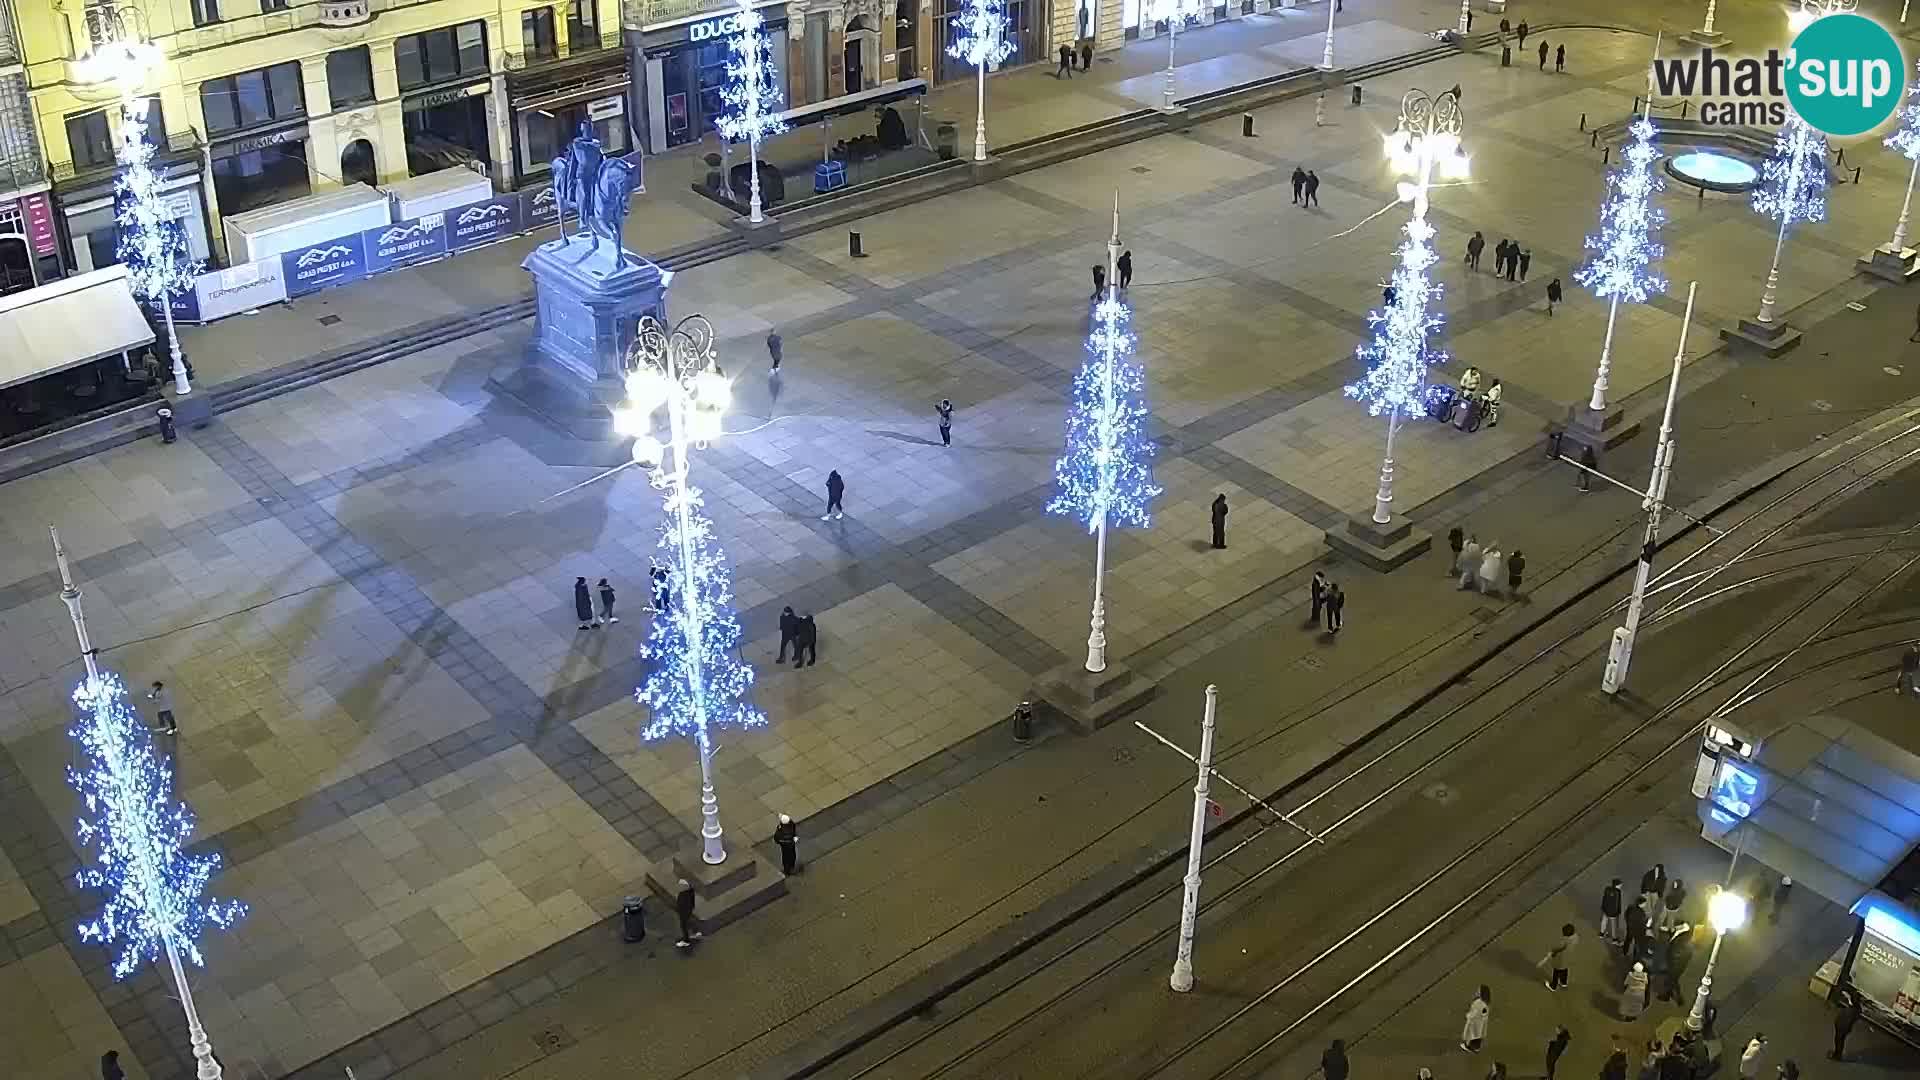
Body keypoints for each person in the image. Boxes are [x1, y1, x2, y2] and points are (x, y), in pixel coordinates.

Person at [1663, 923, 1696, 1003]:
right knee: (1672, 980)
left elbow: (1684, 954)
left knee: (1672, 980)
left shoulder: (1685, 940)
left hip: (1676, 965)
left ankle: (1676, 998)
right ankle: (1669, 994)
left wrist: (1673, 962)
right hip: (1674, 962)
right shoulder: (1680, 934)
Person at [1541, 922, 1577, 990]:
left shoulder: (1565, 940)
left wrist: (1552, 952)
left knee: (1556, 973)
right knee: (1565, 971)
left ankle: (1553, 986)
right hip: (1568, 959)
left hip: (1561, 961)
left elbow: (1558, 948)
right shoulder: (1576, 937)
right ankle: (1564, 983)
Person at [1832, 984, 1862, 1059]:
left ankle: (1837, 1055)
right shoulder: (1856, 1009)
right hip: (1844, 1028)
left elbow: (1845, 1021)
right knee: (1840, 1041)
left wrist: (1838, 1024)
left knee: (1839, 1041)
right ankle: (1838, 1053)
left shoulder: (1851, 1011)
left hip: (1842, 1028)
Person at [1460, 984, 1491, 1052]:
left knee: (1473, 1033)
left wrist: (1469, 1015)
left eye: (1478, 991)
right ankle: (1474, 1047)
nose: (1476, 992)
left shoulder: (1479, 1002)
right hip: (1479, 1023)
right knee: (1477, 1034)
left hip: (1475, 1022)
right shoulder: (1484, 1003)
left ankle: (1470, 1046)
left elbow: (1474, 1013)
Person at [674, 878, 702, 947]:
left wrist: (679, 910)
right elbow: (692, 903)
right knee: (689, 921)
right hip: (688, 909)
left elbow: (681, 903)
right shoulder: (691, 891)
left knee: (683, 925)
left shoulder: (683, 894)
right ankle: (696, 932)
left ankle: (686, 941)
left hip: (684, 910)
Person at [1624, 894, 1650, 958]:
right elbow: (1643, 924)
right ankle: (1635, 957)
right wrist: (1647, 922)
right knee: (1636, 944)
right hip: (1637, 931)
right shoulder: (1641, 913)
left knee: (1628, 940)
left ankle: (1625, 951)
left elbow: (1626, 915)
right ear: (1641, 904)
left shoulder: (1630, 908)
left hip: (1630, 928)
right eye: (1644, 903)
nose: (1645, 905)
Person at [1601, 877, 1624, 942]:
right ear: (1617, 885)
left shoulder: (1607, 889)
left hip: (1606, 910)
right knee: (1614, 926)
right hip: (1613, 913)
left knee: (1604, 921)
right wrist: (1618, 912)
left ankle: (1601, 933)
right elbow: (1617, 904)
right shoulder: (1618, 892)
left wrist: (1603, 908)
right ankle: (1614, 939)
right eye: (1620, 885)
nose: (1621, 886)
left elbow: (1604, 899)